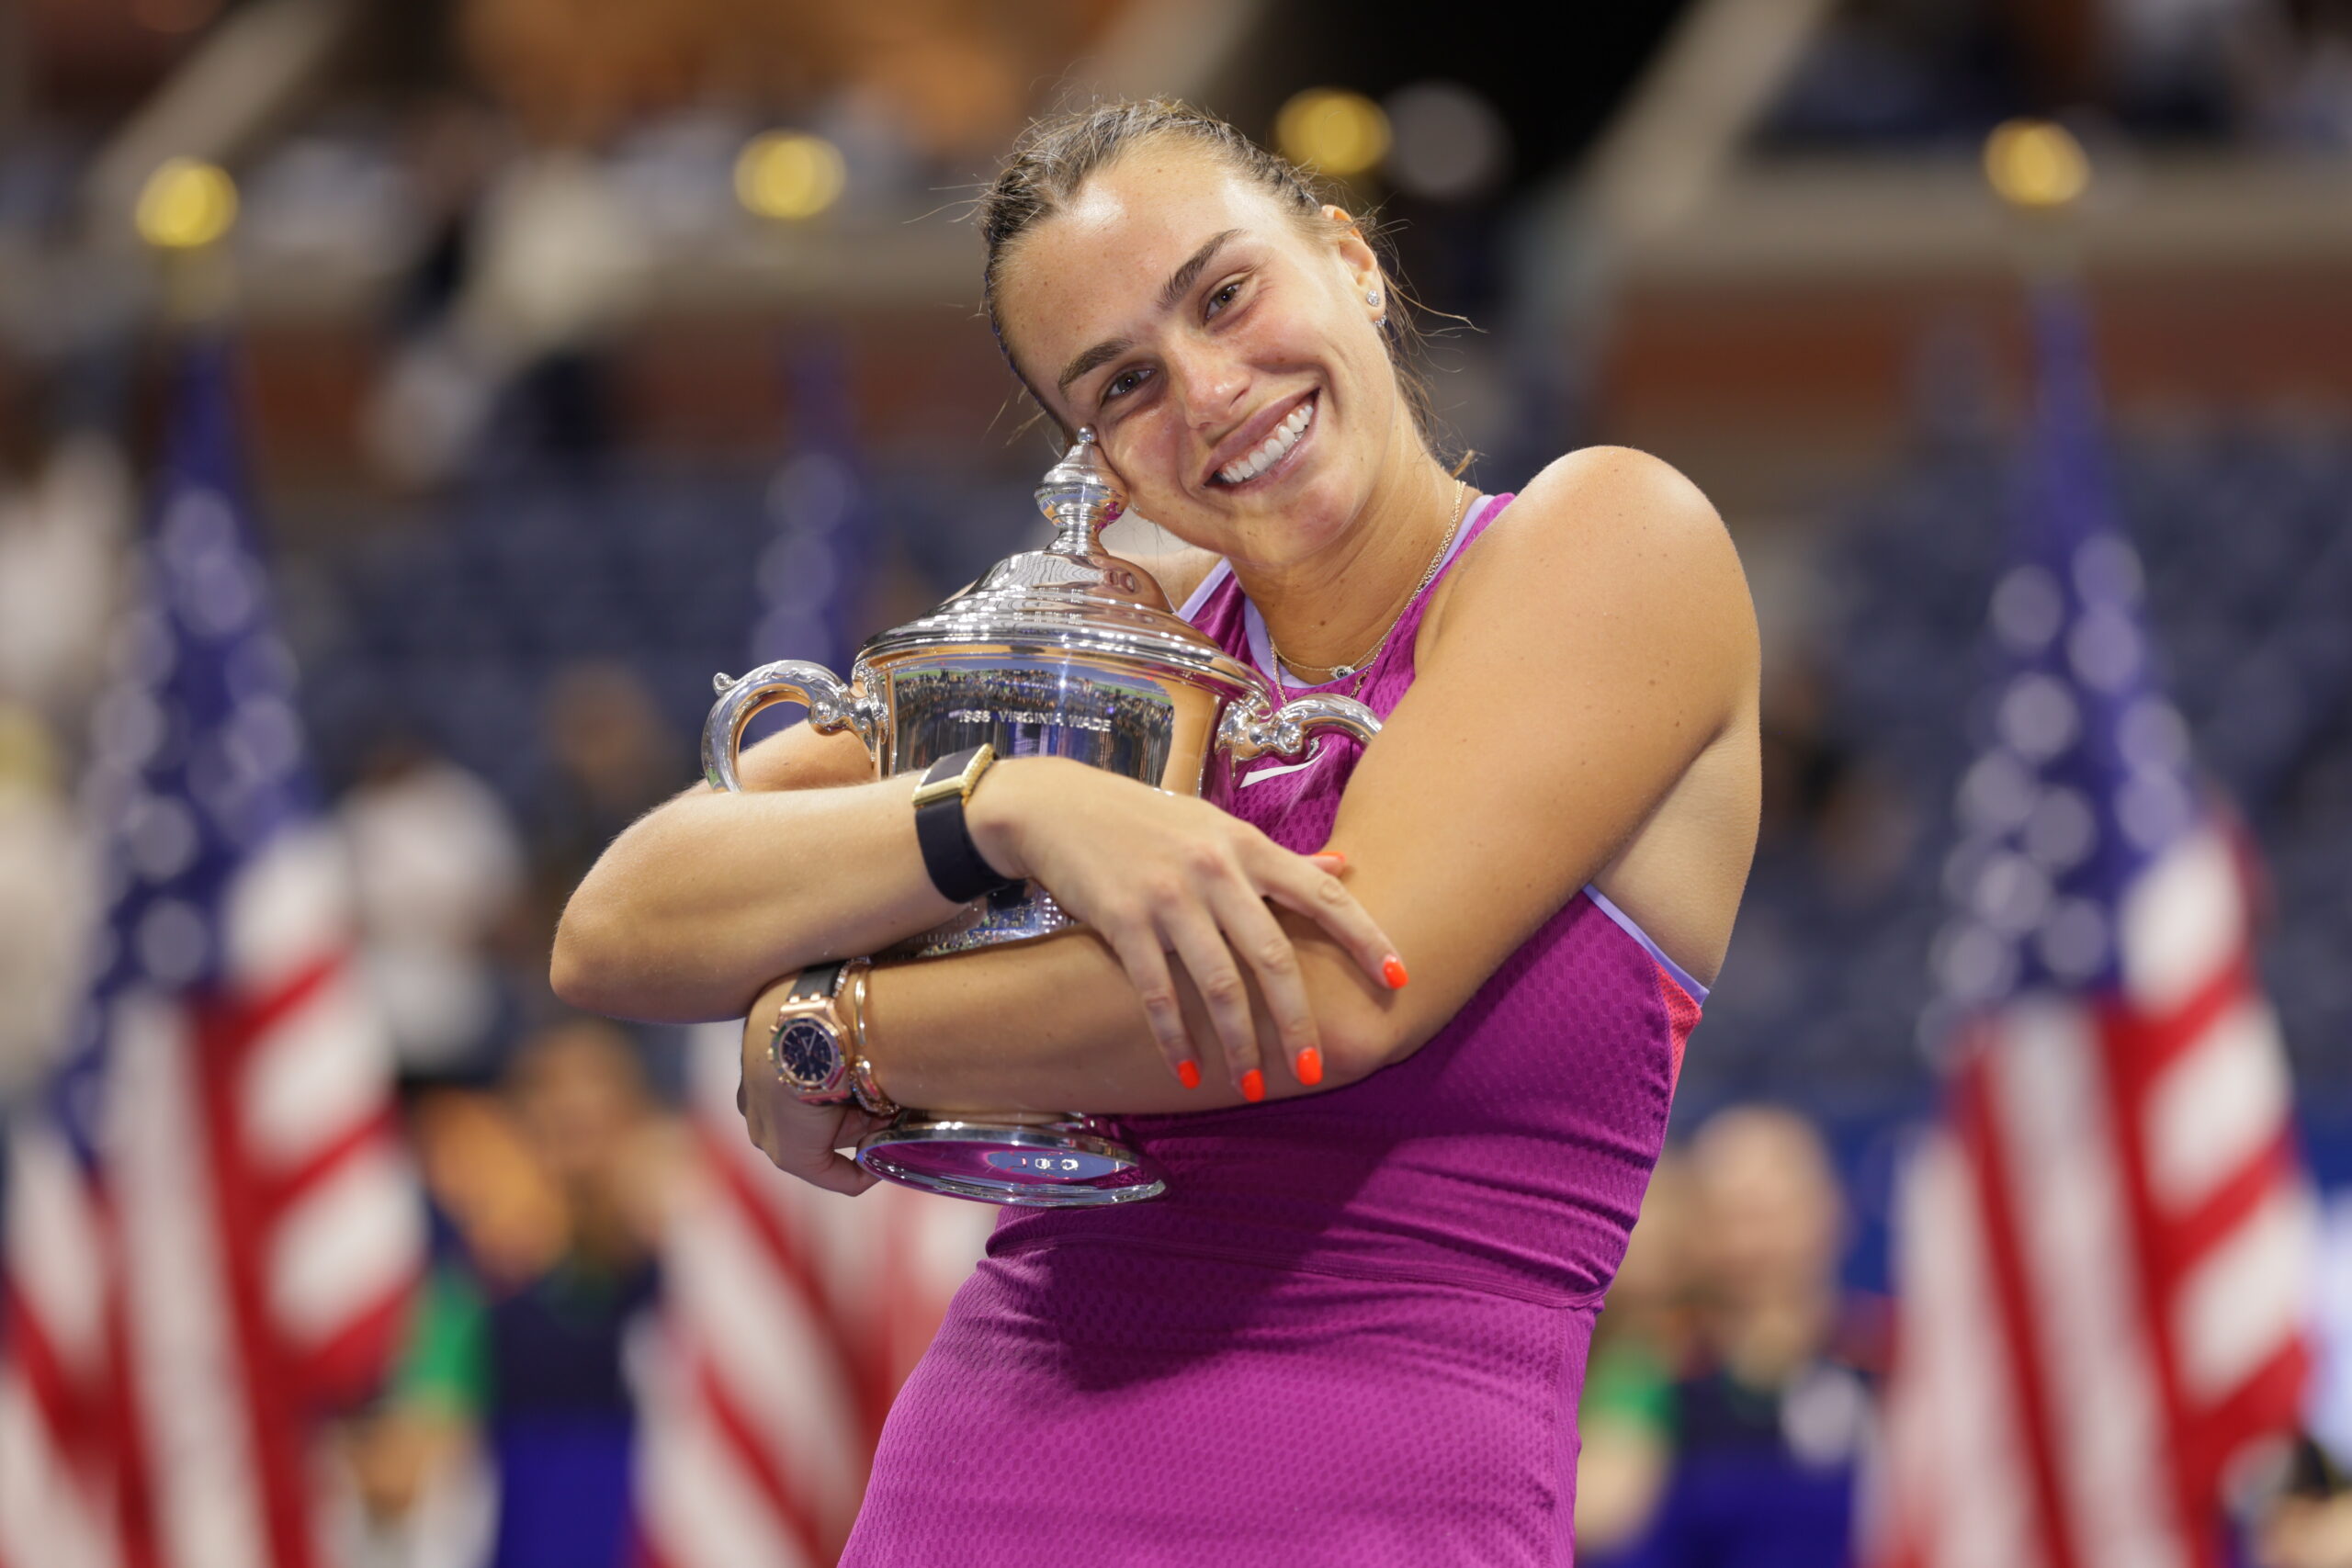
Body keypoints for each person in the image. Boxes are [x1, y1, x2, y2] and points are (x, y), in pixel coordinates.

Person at [551, 99, 1760, 1565]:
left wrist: (836, 1029)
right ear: (1097, 465)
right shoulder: (1116, 661)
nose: (1206, 390)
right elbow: (618, 927)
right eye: (1120, 383)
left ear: (1350, 259)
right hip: (975, 1495)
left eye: (1226, 295)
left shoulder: (1611, 538)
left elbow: (1327, 986)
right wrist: (1006, 806)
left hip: (1381, 1519)